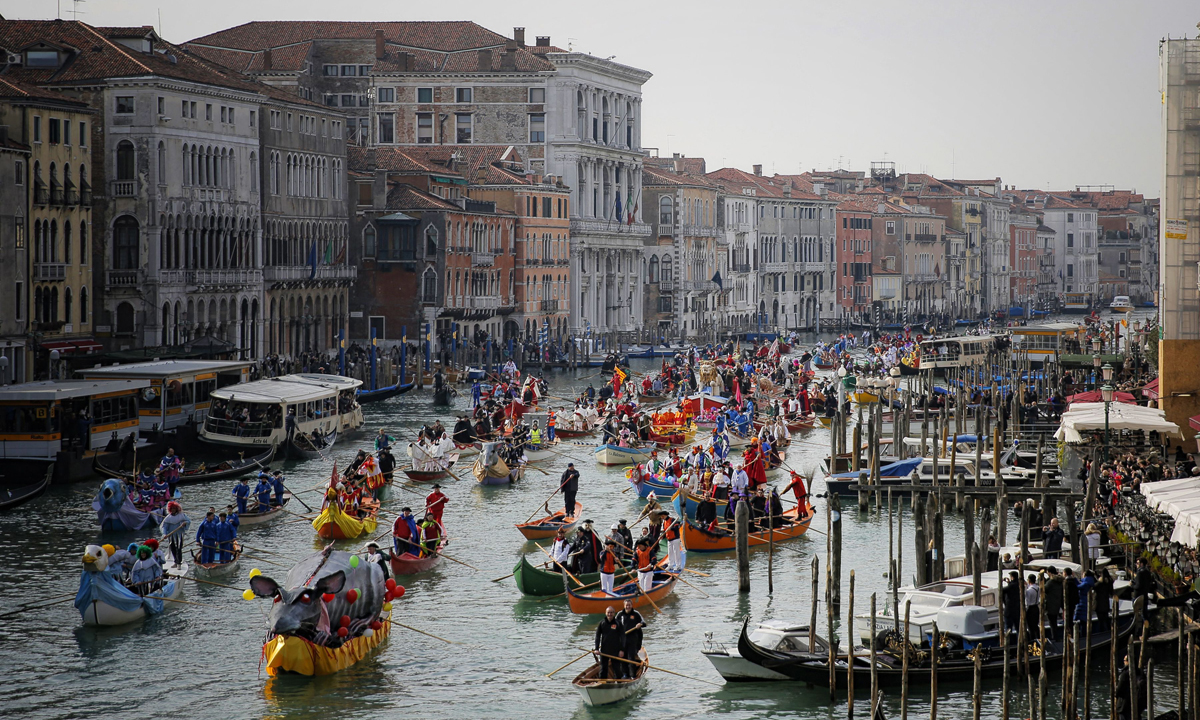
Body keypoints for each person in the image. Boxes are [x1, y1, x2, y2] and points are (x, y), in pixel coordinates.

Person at [615, 598, 645, 679]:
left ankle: (633, 675)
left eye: (629, 605)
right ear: (624, 606)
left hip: (632, 640)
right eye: (626, 605)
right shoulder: (620, 614)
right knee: (622, 657)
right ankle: (625, 674)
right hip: (622, 640)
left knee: (631, 657)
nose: (628, 606)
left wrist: (640, 624)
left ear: (632, 605)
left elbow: (643, 622)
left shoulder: (636, 614)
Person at [594, 606, 625, 680]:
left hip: (615, 650)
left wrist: (622, 650)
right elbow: (597, 636)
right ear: (605, 613)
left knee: (617, 669)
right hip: (604, 650)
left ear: (614, 613)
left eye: (611, 612)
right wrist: (596, 649)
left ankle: (619, 683)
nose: (610, 614)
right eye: (608, 612)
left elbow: (623, 637)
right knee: (603, 669)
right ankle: (602, 684)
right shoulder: (602, 623)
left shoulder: (618, 623)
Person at [159, 501, 190, 567]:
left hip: (179, 535)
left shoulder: (182, 515)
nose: (173, 510)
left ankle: (179, 563)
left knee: (179, 549)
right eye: (172, 508)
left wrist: (185, 523)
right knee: (173, 548)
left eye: (174, 508)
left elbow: (188, 521)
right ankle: (176, 561)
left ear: (176, 509)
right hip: (171, 536)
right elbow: (164, 526)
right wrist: (164, 534)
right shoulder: (168, 518)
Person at [1042, 567, 1063, 641]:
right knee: (1054, 621)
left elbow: (1043, 590)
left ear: (1050, 572)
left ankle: (1054, 637)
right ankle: (1055, 636)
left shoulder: (1051, 582)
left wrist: (1041, 581)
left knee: (1052, 622)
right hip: (1057, 603)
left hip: (1051, 604)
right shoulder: (1059, 581)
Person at [1002, 571, 1021, 638]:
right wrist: (1009, 582)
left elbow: (1002, 590)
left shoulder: (1011, 586)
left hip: (1009, 610)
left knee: (1008, 628)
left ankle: (1008, 643)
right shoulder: (1019, 584)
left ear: (1012, 577)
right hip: (1017, 609)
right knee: (1018, 628)